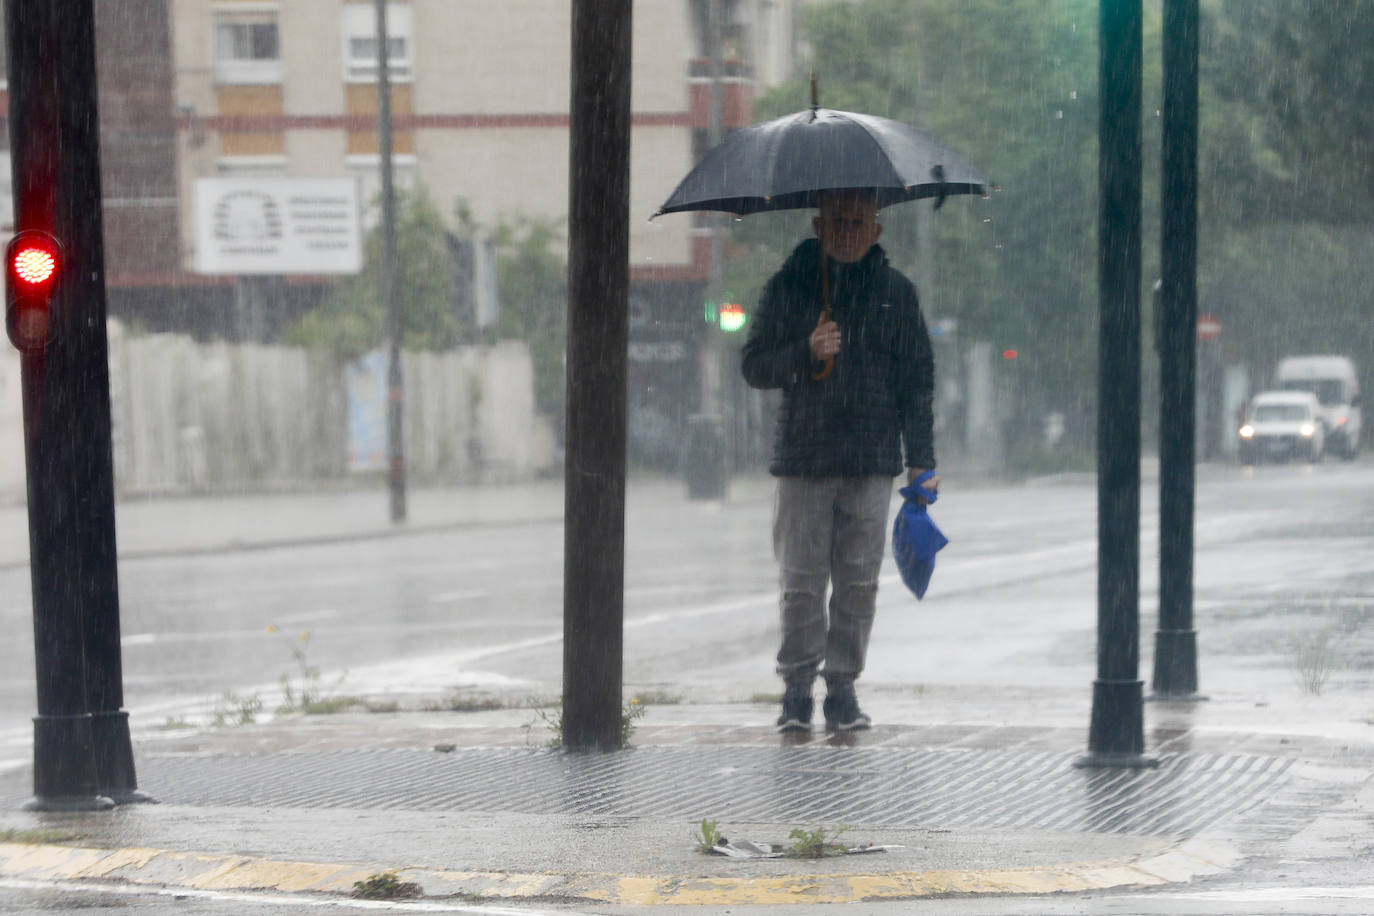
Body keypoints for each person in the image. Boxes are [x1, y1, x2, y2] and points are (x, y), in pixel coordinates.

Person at [741, 188, 937, 733]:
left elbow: (917, 381)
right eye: (838, 221)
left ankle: (843, 687)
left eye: (858, 221)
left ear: (876, 230)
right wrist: (807, 350)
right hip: (805, 458)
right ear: (817, 225)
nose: (848, 230)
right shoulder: (791, 285)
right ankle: (797, 688)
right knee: (801, 582)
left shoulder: (897, 293)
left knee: (858, 582)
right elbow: (755, 365)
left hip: (872, 459)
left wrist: (921, 459)